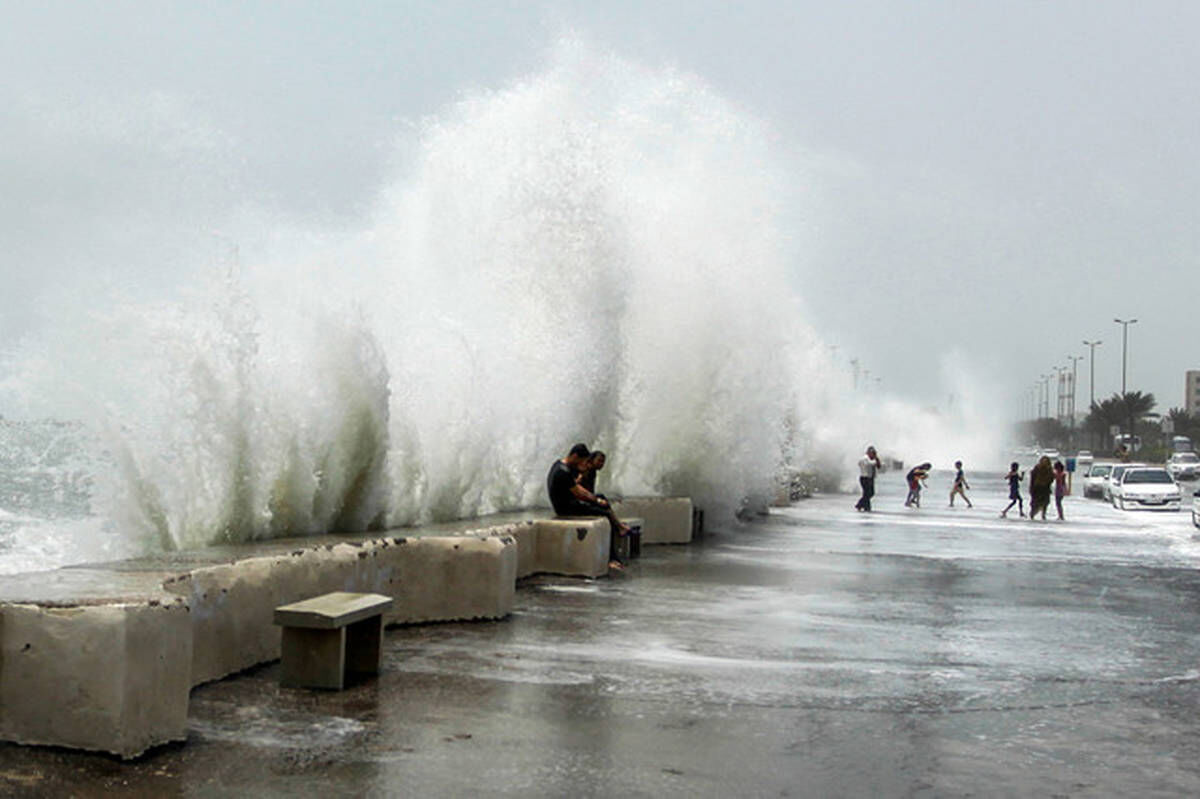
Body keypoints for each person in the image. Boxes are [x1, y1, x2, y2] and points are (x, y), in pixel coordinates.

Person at [546, 443, 629, 569]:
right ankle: (612, 558)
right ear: (574, 456)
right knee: (605, 514)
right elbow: (580, 493)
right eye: (581, 460)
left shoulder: (559, 465)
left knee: (601, 501)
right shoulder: (563, 472)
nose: (582, 464)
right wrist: (597, 501)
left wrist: (596, 499)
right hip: (567, 508)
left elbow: (578, 489)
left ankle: (618, 528)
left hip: (569, 504)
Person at [855, 446, 883, 512]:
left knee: (869, 493)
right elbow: (869, 464)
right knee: (868, 493)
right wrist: (876, 460)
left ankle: (864, 505)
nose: (873, 455)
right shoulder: (865, 458)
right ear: (869, 452)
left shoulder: (870, 459)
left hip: (869, 477)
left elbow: (878, 466)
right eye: (873, 453)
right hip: (865, 477)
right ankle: (861, 505)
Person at [1028, 456, 1054, 520]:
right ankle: (1032, 513)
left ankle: (1043, 514)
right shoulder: (1037, 468)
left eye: (1046, 461)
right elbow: (1032, 478)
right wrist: (1031, 487)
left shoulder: (1049, 469)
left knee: (1045, 502)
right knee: (1035, 502)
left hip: (1045, 488)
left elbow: (1051, 478)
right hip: (1037, 488)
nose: (1044, 463)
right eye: (1043, 461)